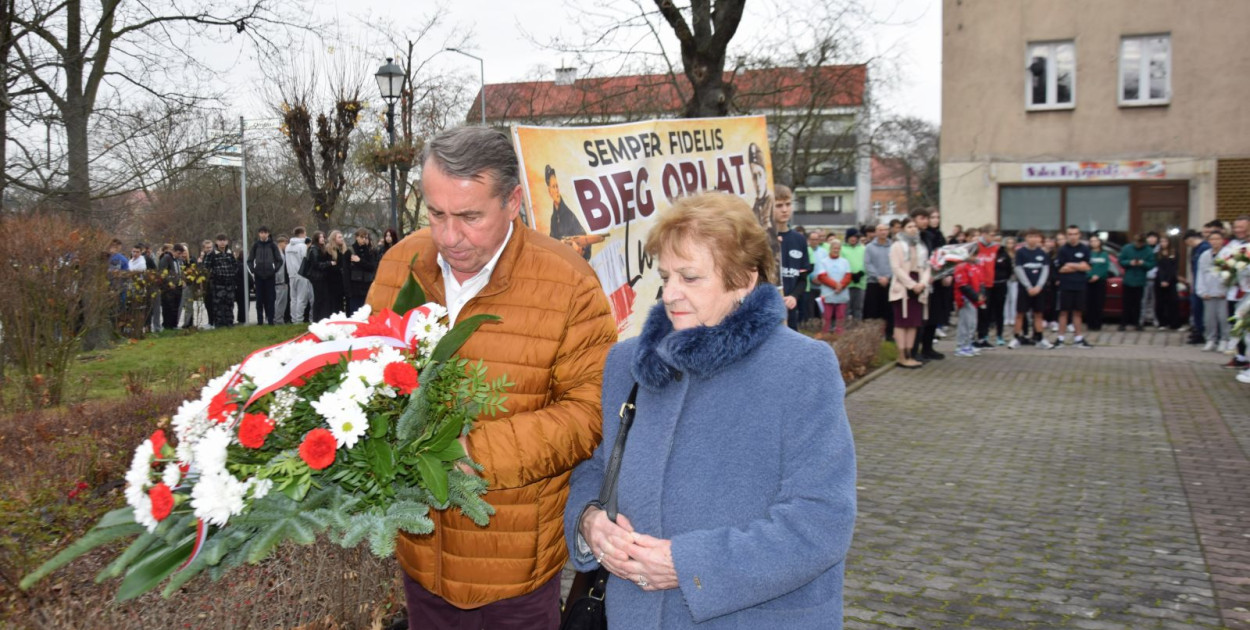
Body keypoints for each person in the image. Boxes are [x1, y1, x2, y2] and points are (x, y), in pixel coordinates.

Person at [566, 191, 856, 629]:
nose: (669, 294)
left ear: (743, 279)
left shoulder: (801, 368)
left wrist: (689, 565)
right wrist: (589, 520)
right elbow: (597, 467)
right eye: (665, 276)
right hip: (636, 615)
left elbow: (821, 518)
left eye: (690, 277)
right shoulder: (628, 362)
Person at [365, 126, 617, 628]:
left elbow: (590, 412)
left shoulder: (569, 282)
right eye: (436, 213)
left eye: (469, 217)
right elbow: (367, 374)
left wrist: (469, 454)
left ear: (513, 202)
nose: (448, 236)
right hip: (422, 557)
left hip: (515, 567)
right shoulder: (401, 264)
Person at [889, 217, 931, 368]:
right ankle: (902, 356)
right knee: (902, 323)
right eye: (909, 226)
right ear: (903, 229)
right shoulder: (897, 246)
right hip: (902, 287)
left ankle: (910, 354)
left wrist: (922, 283)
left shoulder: (921, 247)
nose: (913, 229)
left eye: (915, 227)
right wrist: (912, 285)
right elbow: (896, 268)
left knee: (913, 323)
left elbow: (926, 267)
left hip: (918, 286)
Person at [1008, 229, 1052, 349]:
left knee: (1038, 314)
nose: (1033, 239)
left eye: (1035, 236)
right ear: (1026, 238)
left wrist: (1039, 286)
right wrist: (1028, 286)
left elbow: (1045, 270)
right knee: (1020, 313)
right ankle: (1016, 337)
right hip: (1025, 289)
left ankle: (1039, 338)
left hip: (1039, 289)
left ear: (1039, 238)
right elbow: (1018, 269)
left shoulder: (1043, 253)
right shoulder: (1020, 252)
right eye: (1030, 236)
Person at [773, 185, 809, 330]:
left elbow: (803, 278)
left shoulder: (799, 239)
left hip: (790, 311)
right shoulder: (762, 238)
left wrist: (794, 296)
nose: (785, 209)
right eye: (779, 205)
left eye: (788, 204)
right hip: (767, 310)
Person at [912, 208, 945, 360]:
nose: (933, 220)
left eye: (937, 217)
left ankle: (928, 347)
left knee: (933, 315)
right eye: (930, 217)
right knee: (920, 317)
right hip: (920, 280)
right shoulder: (916, 237)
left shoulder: (935, 236)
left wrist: (944, 273)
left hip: (935, 280)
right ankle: (915, 349)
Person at [1053, 225, 1093, 348]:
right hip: (1065, 285)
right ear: (1067, 235)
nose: (1073, 236)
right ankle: (1060, 339)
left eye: (1075, 234)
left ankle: (1078, 339)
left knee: (1077, 313)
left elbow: (1087, 267)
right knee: (1063, 313)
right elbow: (1061, 269)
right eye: (1070, 234)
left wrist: (1070, 265)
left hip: (1080, 285)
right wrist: (1079, 266)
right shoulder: (1062, 250)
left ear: (1079, 235)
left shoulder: (1085, 249)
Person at [1220, 216, 1250, 371]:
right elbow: (1222, 262)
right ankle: (1241, 356)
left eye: (1242, 227)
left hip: (1248, 293)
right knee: (1236, 325)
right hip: (1234, 292)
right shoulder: (1232, 245)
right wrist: (1226, 269)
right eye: (1236, 227)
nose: (1238, 230)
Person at [1197, 231, 1229, 352]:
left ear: (1222, 240)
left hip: (1222, 292)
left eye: (1217, 239)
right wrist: (1202, 291)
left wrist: (1226, 289)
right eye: (1212, 239)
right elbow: (1200, 273)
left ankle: (1224, 339)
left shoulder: (1228, 253)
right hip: (1208, 291)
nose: (1215, 242)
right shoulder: (1205, 255)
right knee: (1209, 318)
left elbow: (1231, 273)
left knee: (1223, 317)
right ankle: (1210, 339)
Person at [1118, 233, 1156, 331]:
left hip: (1140, 280)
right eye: (1137, 243)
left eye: (1141, 243)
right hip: (1128, 279)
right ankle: (1123, 323)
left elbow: (1152, 264)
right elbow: (1121, 261)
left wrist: (1143, 263)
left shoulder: (1148, 250)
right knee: (1126, 303)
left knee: (1138, 303)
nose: (1139, 245)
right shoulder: (1127, 248)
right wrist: (1129, 262)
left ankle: (1137, 323)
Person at [952, 248, 986, 357]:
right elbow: (963, 285)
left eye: (975, 255)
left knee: (972, 324)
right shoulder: (961, 267)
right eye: (972, 255)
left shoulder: (976, 266)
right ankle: (961, 346)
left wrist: (981, 294)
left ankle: (968, 343)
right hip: (966, 299)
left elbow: (981, 282)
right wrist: (975, 297)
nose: (974, 257)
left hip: (974, 300)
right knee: (965, 323)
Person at [863, 223, 894, 338]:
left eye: (885, 230)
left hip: (889, 282)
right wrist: (878, 277)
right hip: (873, 283)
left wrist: (888, 277)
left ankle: (889, 335)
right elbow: (867, 264)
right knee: (872, 311)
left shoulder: (893, 247)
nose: (883, 232)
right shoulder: (869, 247)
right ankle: (872, 336)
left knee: (889, 311)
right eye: (880, 230)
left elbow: (895, 264)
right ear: (876, 232)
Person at [248, 226, 284, 325]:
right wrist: (253, 270)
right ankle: (260, 320)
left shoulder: (272, 245)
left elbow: (279, 260)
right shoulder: (256, 245)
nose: (263, 234)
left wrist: (274, 270)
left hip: (270, 276)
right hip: (258, 276)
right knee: (259, 299)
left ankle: (270, 320)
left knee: (271, 299)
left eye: (265, 232)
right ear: (259, 234)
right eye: (261, 232)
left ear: (268, 233)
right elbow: (250, 260)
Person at [815, 237, 852, 334]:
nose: (836, 250)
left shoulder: (845, 262)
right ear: (830, 248)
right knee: (827, 316)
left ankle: (839, 335)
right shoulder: (823, 261)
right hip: (828, 293)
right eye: (834, 248)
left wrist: (841, 285)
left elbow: (848, 276)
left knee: (840, 316)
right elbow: (822, 276)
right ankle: (825, 334)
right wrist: (835, 285)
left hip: (841, 293)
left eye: (838, 248)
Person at [205, 234, 237, 328]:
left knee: (229, 304)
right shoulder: (211, 254)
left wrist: (232, 275)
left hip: (229, 283)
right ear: (216, 242)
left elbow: (235, 266)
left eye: (224, 240)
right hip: (218, 284)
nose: (222, 242)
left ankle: (229, 323)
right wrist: (213, 276)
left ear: (227, 242)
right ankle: (219, 324)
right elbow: (206, 268)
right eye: (220, 240)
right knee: (218, 305)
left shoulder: (230, 253)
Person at [345, 228, 378, 314]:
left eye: (365, 237)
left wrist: (360, 261)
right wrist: (348, 290)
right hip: (355, 288)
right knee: (355, 313)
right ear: (356, 237)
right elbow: (346, 272)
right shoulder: (350, 251)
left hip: (367, 287)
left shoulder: (369, 251)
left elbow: (372, 267)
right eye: (362, 237)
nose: (364, 239)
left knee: (366, 313)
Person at [1186, 229, 1210, 344]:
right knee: (1196, 309)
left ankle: (1201, 332)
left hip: (1203, 283)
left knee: (1200, 309)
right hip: (1196, 282)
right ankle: (1198, 330)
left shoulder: (1204, 248)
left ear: (1190, 239)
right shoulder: (1196, 249)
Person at [286, 226, 312, 324]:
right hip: (301, 275)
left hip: (291, 274)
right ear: (302, 233)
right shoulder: (302, 246)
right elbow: (305, 259)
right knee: (301, 298)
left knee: (293, 299)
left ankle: (294, 319)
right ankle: (299, 319)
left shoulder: (288, 246)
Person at [1085, 235, 1111, 332]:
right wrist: (1090, 276)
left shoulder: (1104, 254)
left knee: (1099, 303)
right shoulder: (1087, 254)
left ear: (1099, 242)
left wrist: (1098, 276)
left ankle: (1097, 324)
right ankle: (1090, 324)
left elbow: (1105, 267)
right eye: (1091, 241)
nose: (1093, 243)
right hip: (1089, 281)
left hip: (1100, 281)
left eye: (1095, 241)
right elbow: (1085, 266)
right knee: (1089, 303)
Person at [305, 231, 333, 321]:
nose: (322, 239)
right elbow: (316, 264)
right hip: (317, 277)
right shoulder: (314, 249)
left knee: (323, 298)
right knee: (319, 298)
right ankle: (317, 318)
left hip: (321, 276)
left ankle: (321, 317)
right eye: (320, 237)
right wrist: (329, 263)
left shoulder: (320, 248)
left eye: (323, 237)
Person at [156, 243, 185, 330]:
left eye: (181, 254)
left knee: (176, 305)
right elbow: (162, 272)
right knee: (168, 306)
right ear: (173, 251)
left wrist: (183, 280)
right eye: (178, 253)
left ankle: (174, 324)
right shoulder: (166, 258)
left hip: (178, 286)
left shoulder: (179, 260)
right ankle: (167, 325)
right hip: (168, 288)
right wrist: (169, 283)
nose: (179, 255)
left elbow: (180, 271)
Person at [1153, 236, 1180, 330]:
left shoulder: (1174, 253)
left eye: (1165, 241)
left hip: (1171, 281)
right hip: (1159, 280)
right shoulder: (1157, 254)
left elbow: (1173, 268)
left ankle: (1174, 323)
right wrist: (1162, 280)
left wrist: (1168, 280)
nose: (1163, 243)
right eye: (1161, 241)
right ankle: (1162, 323)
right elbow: (1159, 268)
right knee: (1160, 302)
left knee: (1173, 302)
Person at [842, 228, 867, 322]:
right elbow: (841, 263)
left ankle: (857, 328)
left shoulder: (863, 248)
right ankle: (845, 327)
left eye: (855, 237)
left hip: (860, 282)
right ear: (847, 237)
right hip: (847, 283)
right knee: (846, 308)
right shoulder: (842, 249)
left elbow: (866, 263)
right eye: (851, 237)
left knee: (858, 308)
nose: (853, 239)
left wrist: (860, 273)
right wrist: (851, 275)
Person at [1140, 232, 1161, 327]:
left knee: (1155, 300)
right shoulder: (1143, 249)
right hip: (1144, 277)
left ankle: (1154, 319)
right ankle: (1142, 318)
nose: (1152, 239)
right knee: (1143, 300)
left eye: (1154, 237)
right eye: (1150, 237)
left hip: (1156, 278)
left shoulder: (1159, 250)